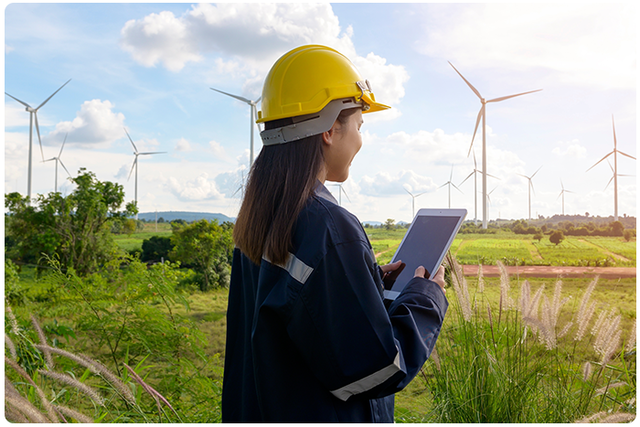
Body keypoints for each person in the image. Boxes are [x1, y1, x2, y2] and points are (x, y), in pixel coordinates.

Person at [221, 44, 448, 423]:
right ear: (329, 130)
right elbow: (374, 369)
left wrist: (364, 282)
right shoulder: (329, 226)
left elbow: (291, 314)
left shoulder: (260, 220)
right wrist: (428, 298)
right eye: (359, 125)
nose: (360, 139)